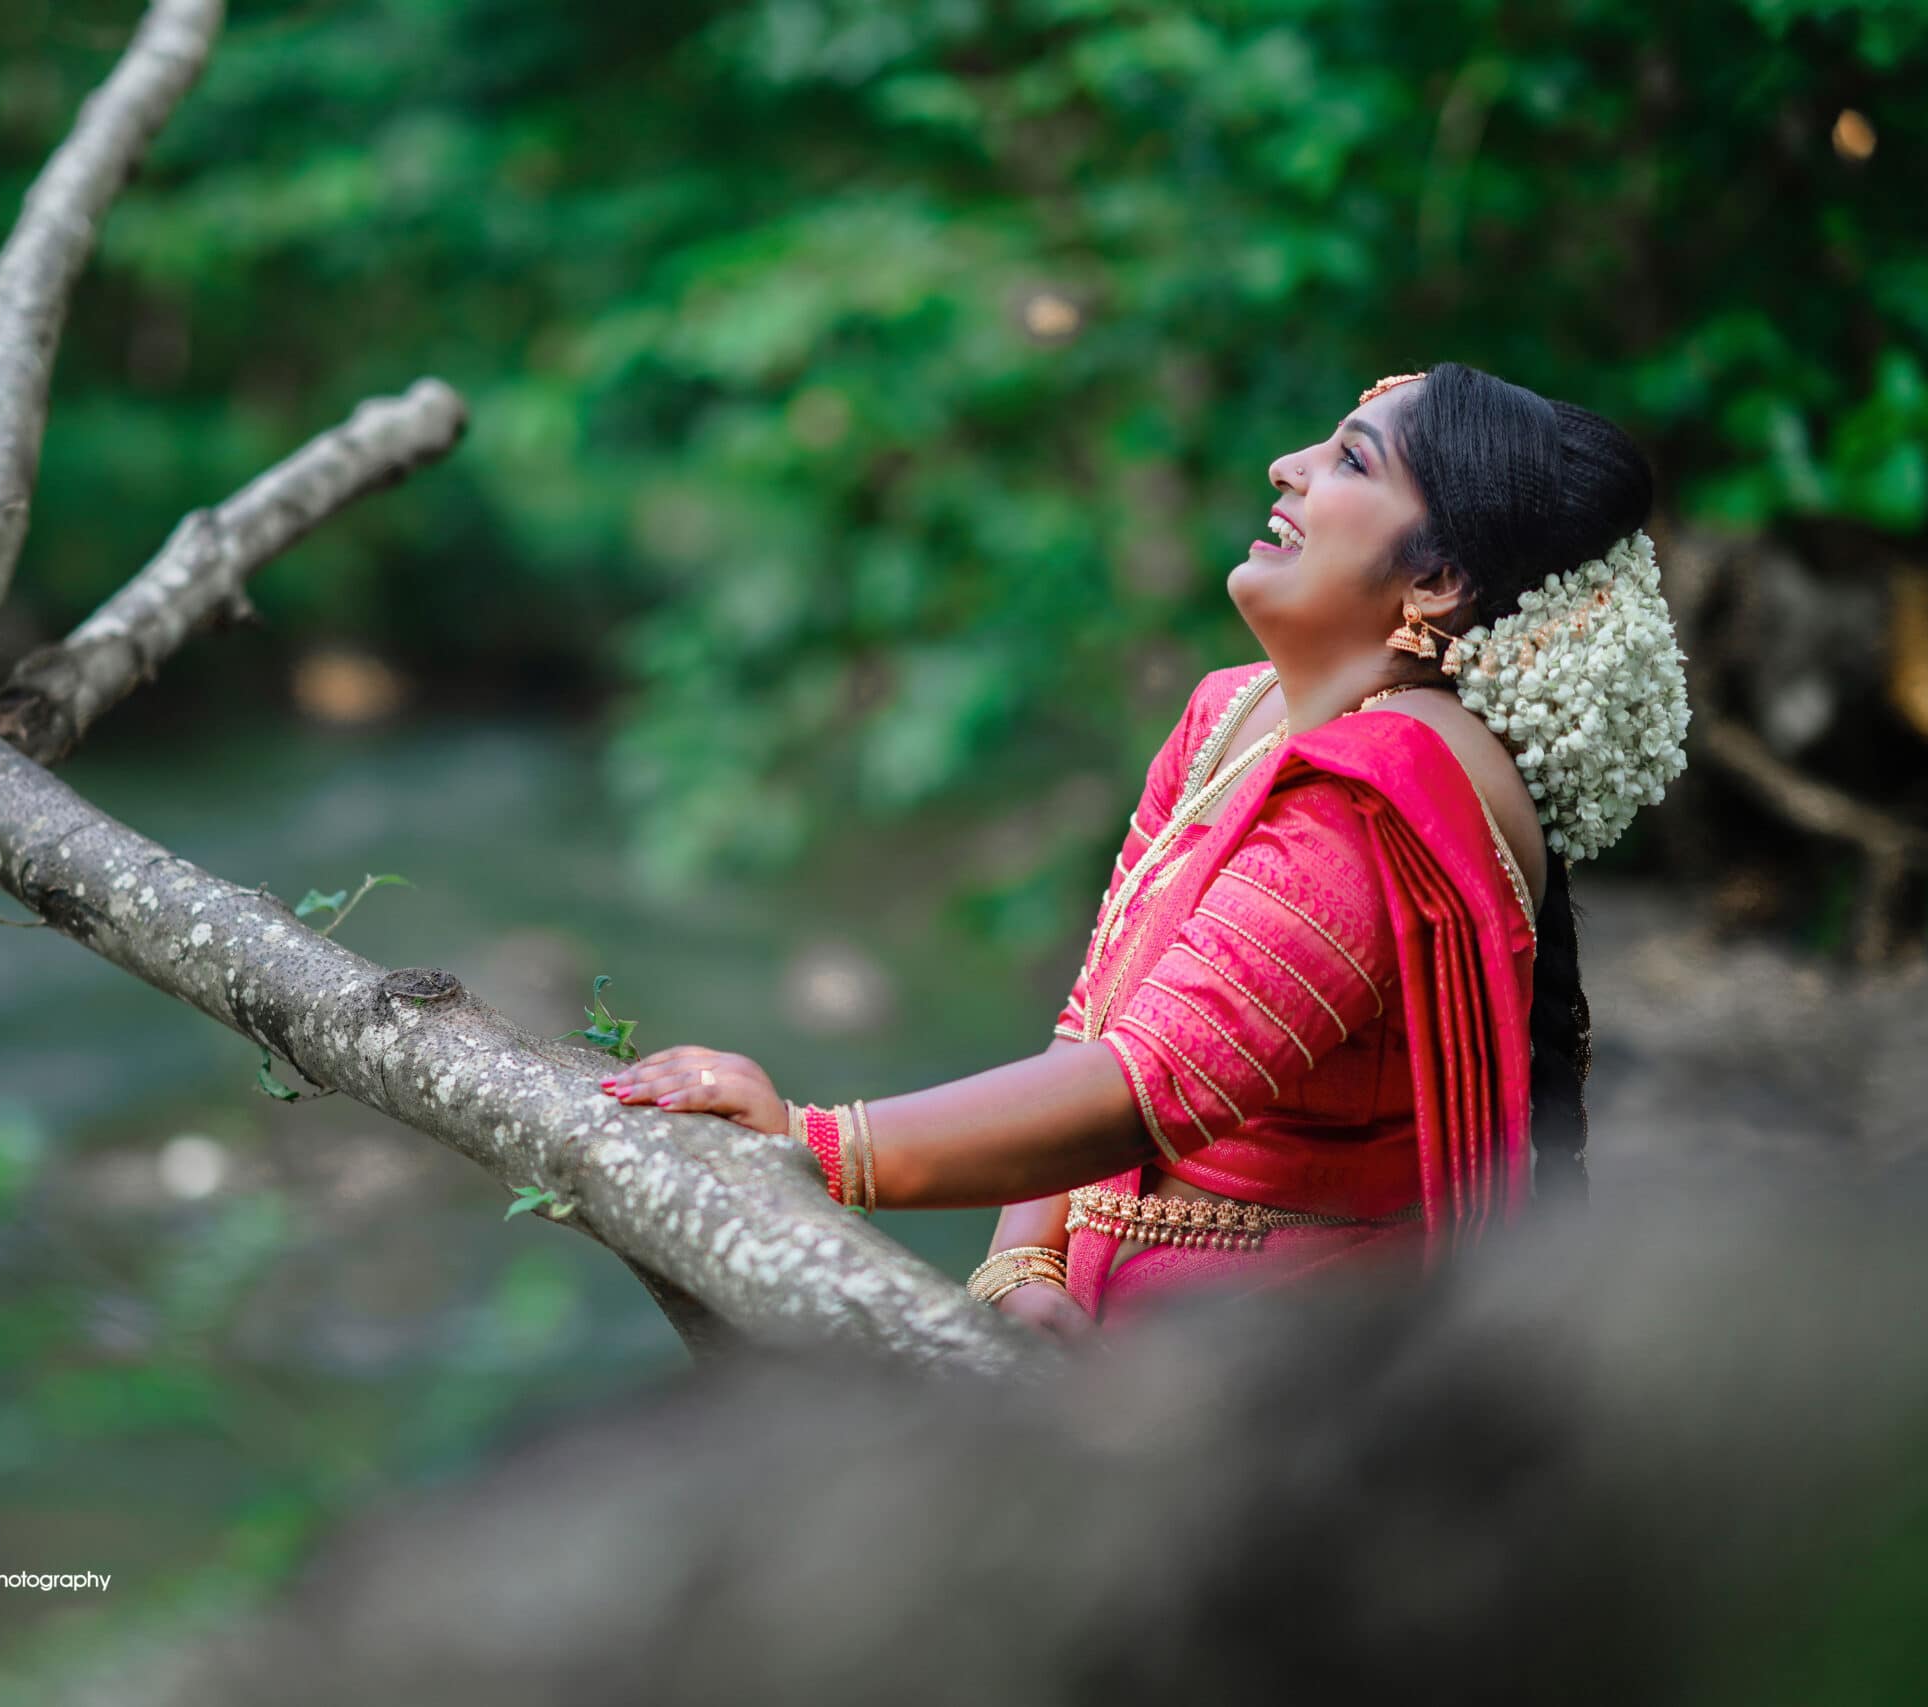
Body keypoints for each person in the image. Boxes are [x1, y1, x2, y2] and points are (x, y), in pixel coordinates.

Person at [598, 364, 1691, 1337]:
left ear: (1440, 581)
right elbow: (1098, 1020)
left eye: (1350, 459)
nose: (1288, 465)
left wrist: (815, 1142)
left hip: (1278, 1375)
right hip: (1106, 1328)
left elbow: (1141, 1090)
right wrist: (1022, 1258)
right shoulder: (1236, 712)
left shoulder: (1372, 803)